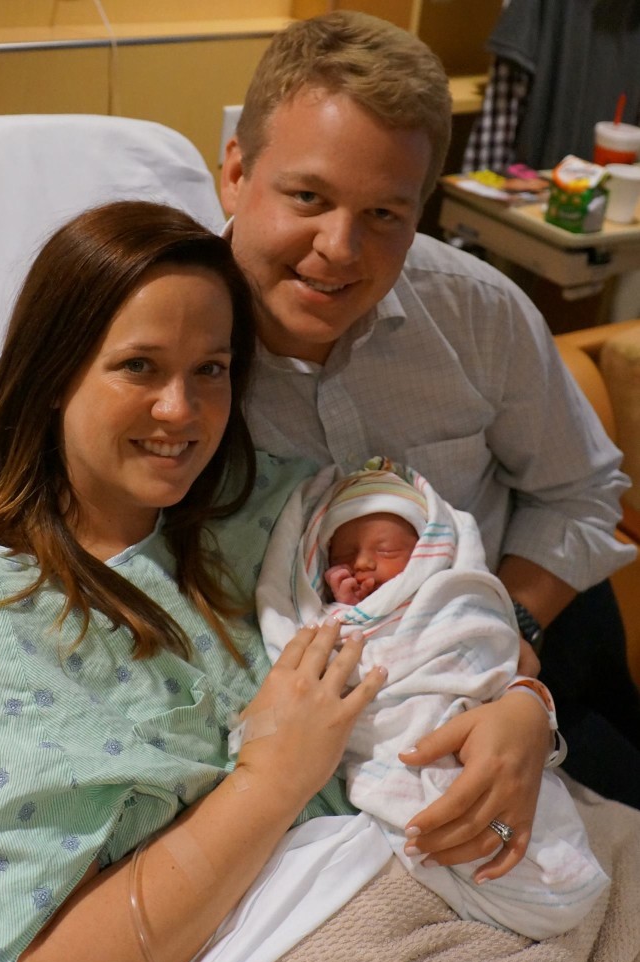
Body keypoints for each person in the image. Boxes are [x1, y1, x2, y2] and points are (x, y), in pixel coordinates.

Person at [0, 199, 393, 962]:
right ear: (50, 378)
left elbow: (439, 602)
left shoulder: (283, 512)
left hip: (431, 884)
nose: (181, 411)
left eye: (210, 368)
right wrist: (270, 778)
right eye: (138, 367)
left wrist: (514, 705)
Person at [217, 10, 640, 808]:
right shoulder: (158, 331)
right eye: (307, 195)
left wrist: (507, 635)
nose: (339, 248)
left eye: (384, 214)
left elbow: (582, 491)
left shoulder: (478, 313)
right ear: (234, 171)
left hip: (525, 643)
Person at [256, 457, 608, 939]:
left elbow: (483, 646)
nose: (361, 563)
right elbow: (323, 646)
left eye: (384, 549)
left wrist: (526, 696)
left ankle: (515, 851)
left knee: (503, 801)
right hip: (388, 735)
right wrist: (344, 602)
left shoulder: (453, 598)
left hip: (483, 713)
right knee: (440, 819)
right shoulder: (337, 614)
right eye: (343, 554)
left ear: (427, 550)